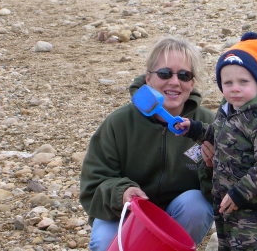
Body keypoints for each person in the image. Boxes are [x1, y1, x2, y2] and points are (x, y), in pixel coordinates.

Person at [79, 36, 215, 251]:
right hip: (124, 212)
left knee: (197, 204)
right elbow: (93, 185)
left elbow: (221, 191)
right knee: (105, 241)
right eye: (164, 73)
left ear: (192, 82)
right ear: (148, 77)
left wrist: (212, 169)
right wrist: (122, 193)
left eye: (184, 75)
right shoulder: (119, 123)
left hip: (176, 214)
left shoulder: (207, 124)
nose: (174, 82)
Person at [175, 32, 257, 251]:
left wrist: (240, 193)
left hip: (251, 205)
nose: (234, 88)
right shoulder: (228, 109)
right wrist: (195, 129)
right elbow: (220, 135)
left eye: (243, 81)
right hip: (225, 199)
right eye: (227, 82)